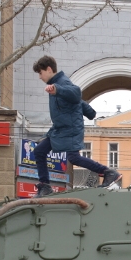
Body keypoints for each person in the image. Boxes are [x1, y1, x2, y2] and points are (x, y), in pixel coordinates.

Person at [32, 56, 121, 197]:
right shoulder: (57, 84)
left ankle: (108, 172)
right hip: (59, 129)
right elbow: (76, 102)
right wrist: (89, 112)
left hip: (71, 129)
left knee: (73, 157)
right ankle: (45, 186)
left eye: (40, 72)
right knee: (39, 151)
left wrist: (57, 89)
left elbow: (75, 92)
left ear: (49, 69)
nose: (39, 77)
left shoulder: (61, 83)